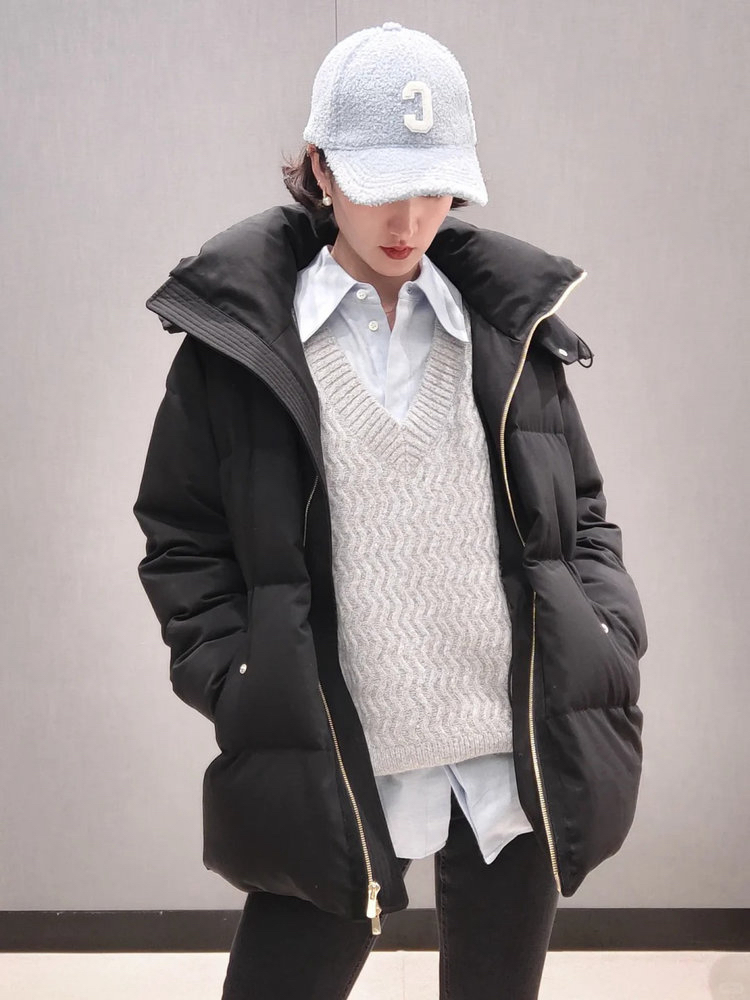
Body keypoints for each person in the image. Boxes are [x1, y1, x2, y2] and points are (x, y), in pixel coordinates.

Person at [132, 21, 648, 1000]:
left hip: (512, 750)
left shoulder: (508, 329)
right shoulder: (240, 348)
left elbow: (578, 510)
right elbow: (182, 538)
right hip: (334, 753)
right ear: (321, 169)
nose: (409, 219)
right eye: (379, 186)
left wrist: (605, 632)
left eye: (434, 186)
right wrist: (241, 678)